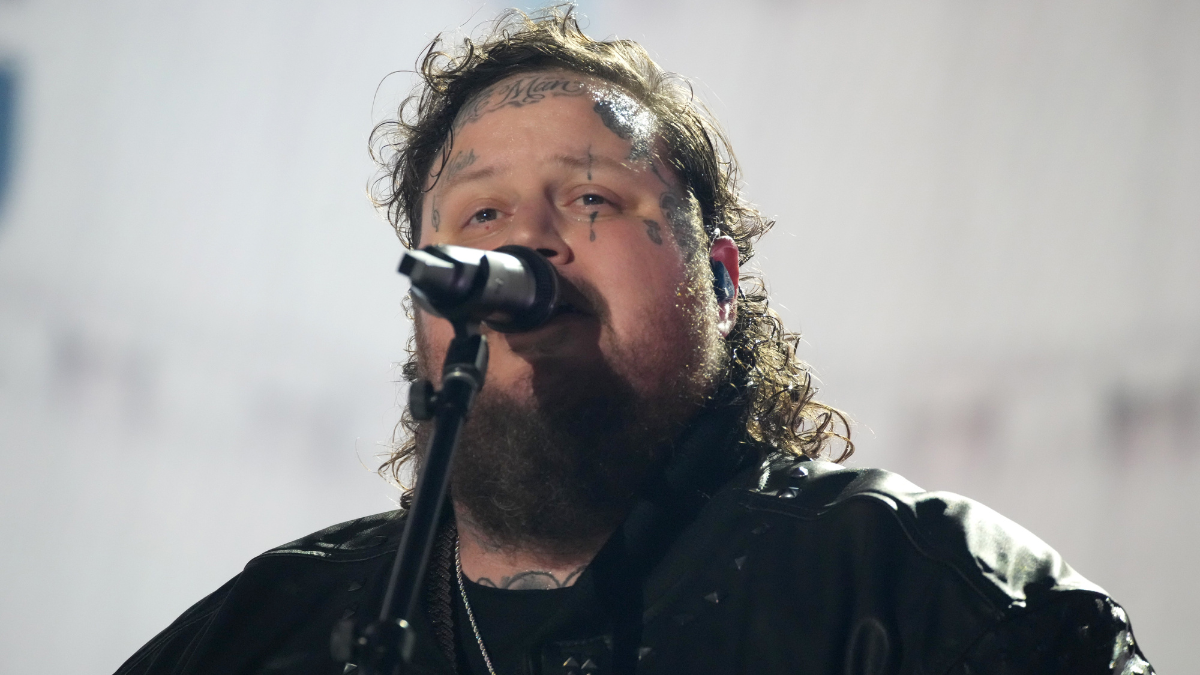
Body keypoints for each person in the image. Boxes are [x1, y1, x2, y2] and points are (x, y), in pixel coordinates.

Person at [115, 8, 1155, 675]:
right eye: (481, 214)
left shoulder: (935, 605)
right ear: (431, 302)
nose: (526, 239)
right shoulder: (263, 636)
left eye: (591, 199)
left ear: (721, 283)